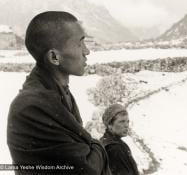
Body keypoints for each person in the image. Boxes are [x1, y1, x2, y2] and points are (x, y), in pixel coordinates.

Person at [7, 11, 111, 175]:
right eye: (80, 43)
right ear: (54, 57)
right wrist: (97, 145)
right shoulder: (31, 107)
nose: (87, 51)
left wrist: (91, 147)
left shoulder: (60, 93)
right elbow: (87, 170)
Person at [100, 104, 139, 175]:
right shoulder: (115, 148)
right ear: (110, 125)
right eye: (122, 121)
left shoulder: (104, 142)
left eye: (127, 121)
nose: (126, 125)